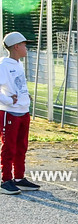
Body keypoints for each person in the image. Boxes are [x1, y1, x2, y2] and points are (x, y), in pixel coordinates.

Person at [0, 32, 39, 195]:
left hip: (23, 111)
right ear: (16, 46)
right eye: (24, 45)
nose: (26, 48)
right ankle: (5, 180)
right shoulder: (4, 64)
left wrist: (25, 95)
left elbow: (18, 84)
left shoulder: (17, 64)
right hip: (10, 112)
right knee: (9, 147)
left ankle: (19, 178)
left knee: (21, 146)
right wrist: (8, 100)